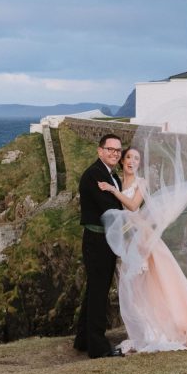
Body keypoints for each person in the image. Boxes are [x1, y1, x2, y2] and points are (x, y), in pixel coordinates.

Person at [100, 146, 187, 352]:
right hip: (126, 239)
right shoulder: (117, 181)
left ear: (139, 163)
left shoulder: (140, 182)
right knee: (134, 287)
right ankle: (143, 329)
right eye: (128, 157)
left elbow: (133, 205)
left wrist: (113, 191)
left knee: (152, 282)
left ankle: (160, 329)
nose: (131, 161)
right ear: (122, 161)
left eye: (136, 158)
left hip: (141, 236)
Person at [74, 133, 125, 358]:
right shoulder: (93, 175)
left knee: (94, 291)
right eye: (110, 149)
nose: (114, 153)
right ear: (100, 151)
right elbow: (109, 209)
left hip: (106, 240)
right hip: (97, 240)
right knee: (98, 293)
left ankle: (83, 339)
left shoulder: (113, 177)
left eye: (117, 151)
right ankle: (98, 347)